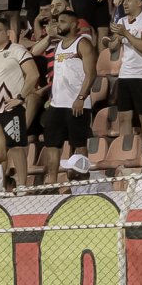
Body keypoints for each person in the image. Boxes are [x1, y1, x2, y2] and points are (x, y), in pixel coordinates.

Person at [0, 18, 38, 187]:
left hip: (11, 107)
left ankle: (22, 186)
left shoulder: (17, 50)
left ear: (8, 33)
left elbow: (33, 74)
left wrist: (20, 98)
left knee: (16, 147)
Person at [42, 11, 98, 184]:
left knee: (79, 143)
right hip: (57, 104)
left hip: (77, 103)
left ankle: (82, 181)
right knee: (52, 144)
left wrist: (81, 97)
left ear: (74, 25)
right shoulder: (58, 45)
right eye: (58, 21)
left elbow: (91, 73)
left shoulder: (83, 44)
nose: (58, 24)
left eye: (63, 21)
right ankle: (51, 182)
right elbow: (35, 51)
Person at [104, 0, 142, 140]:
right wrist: (111, 41)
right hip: (125, 74)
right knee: (123, 117)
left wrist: (126, 34)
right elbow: (113, 47)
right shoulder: (121, 21)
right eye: (124, 0)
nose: (125, 3)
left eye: (128, 0)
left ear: (139, 2)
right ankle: (126, 150)